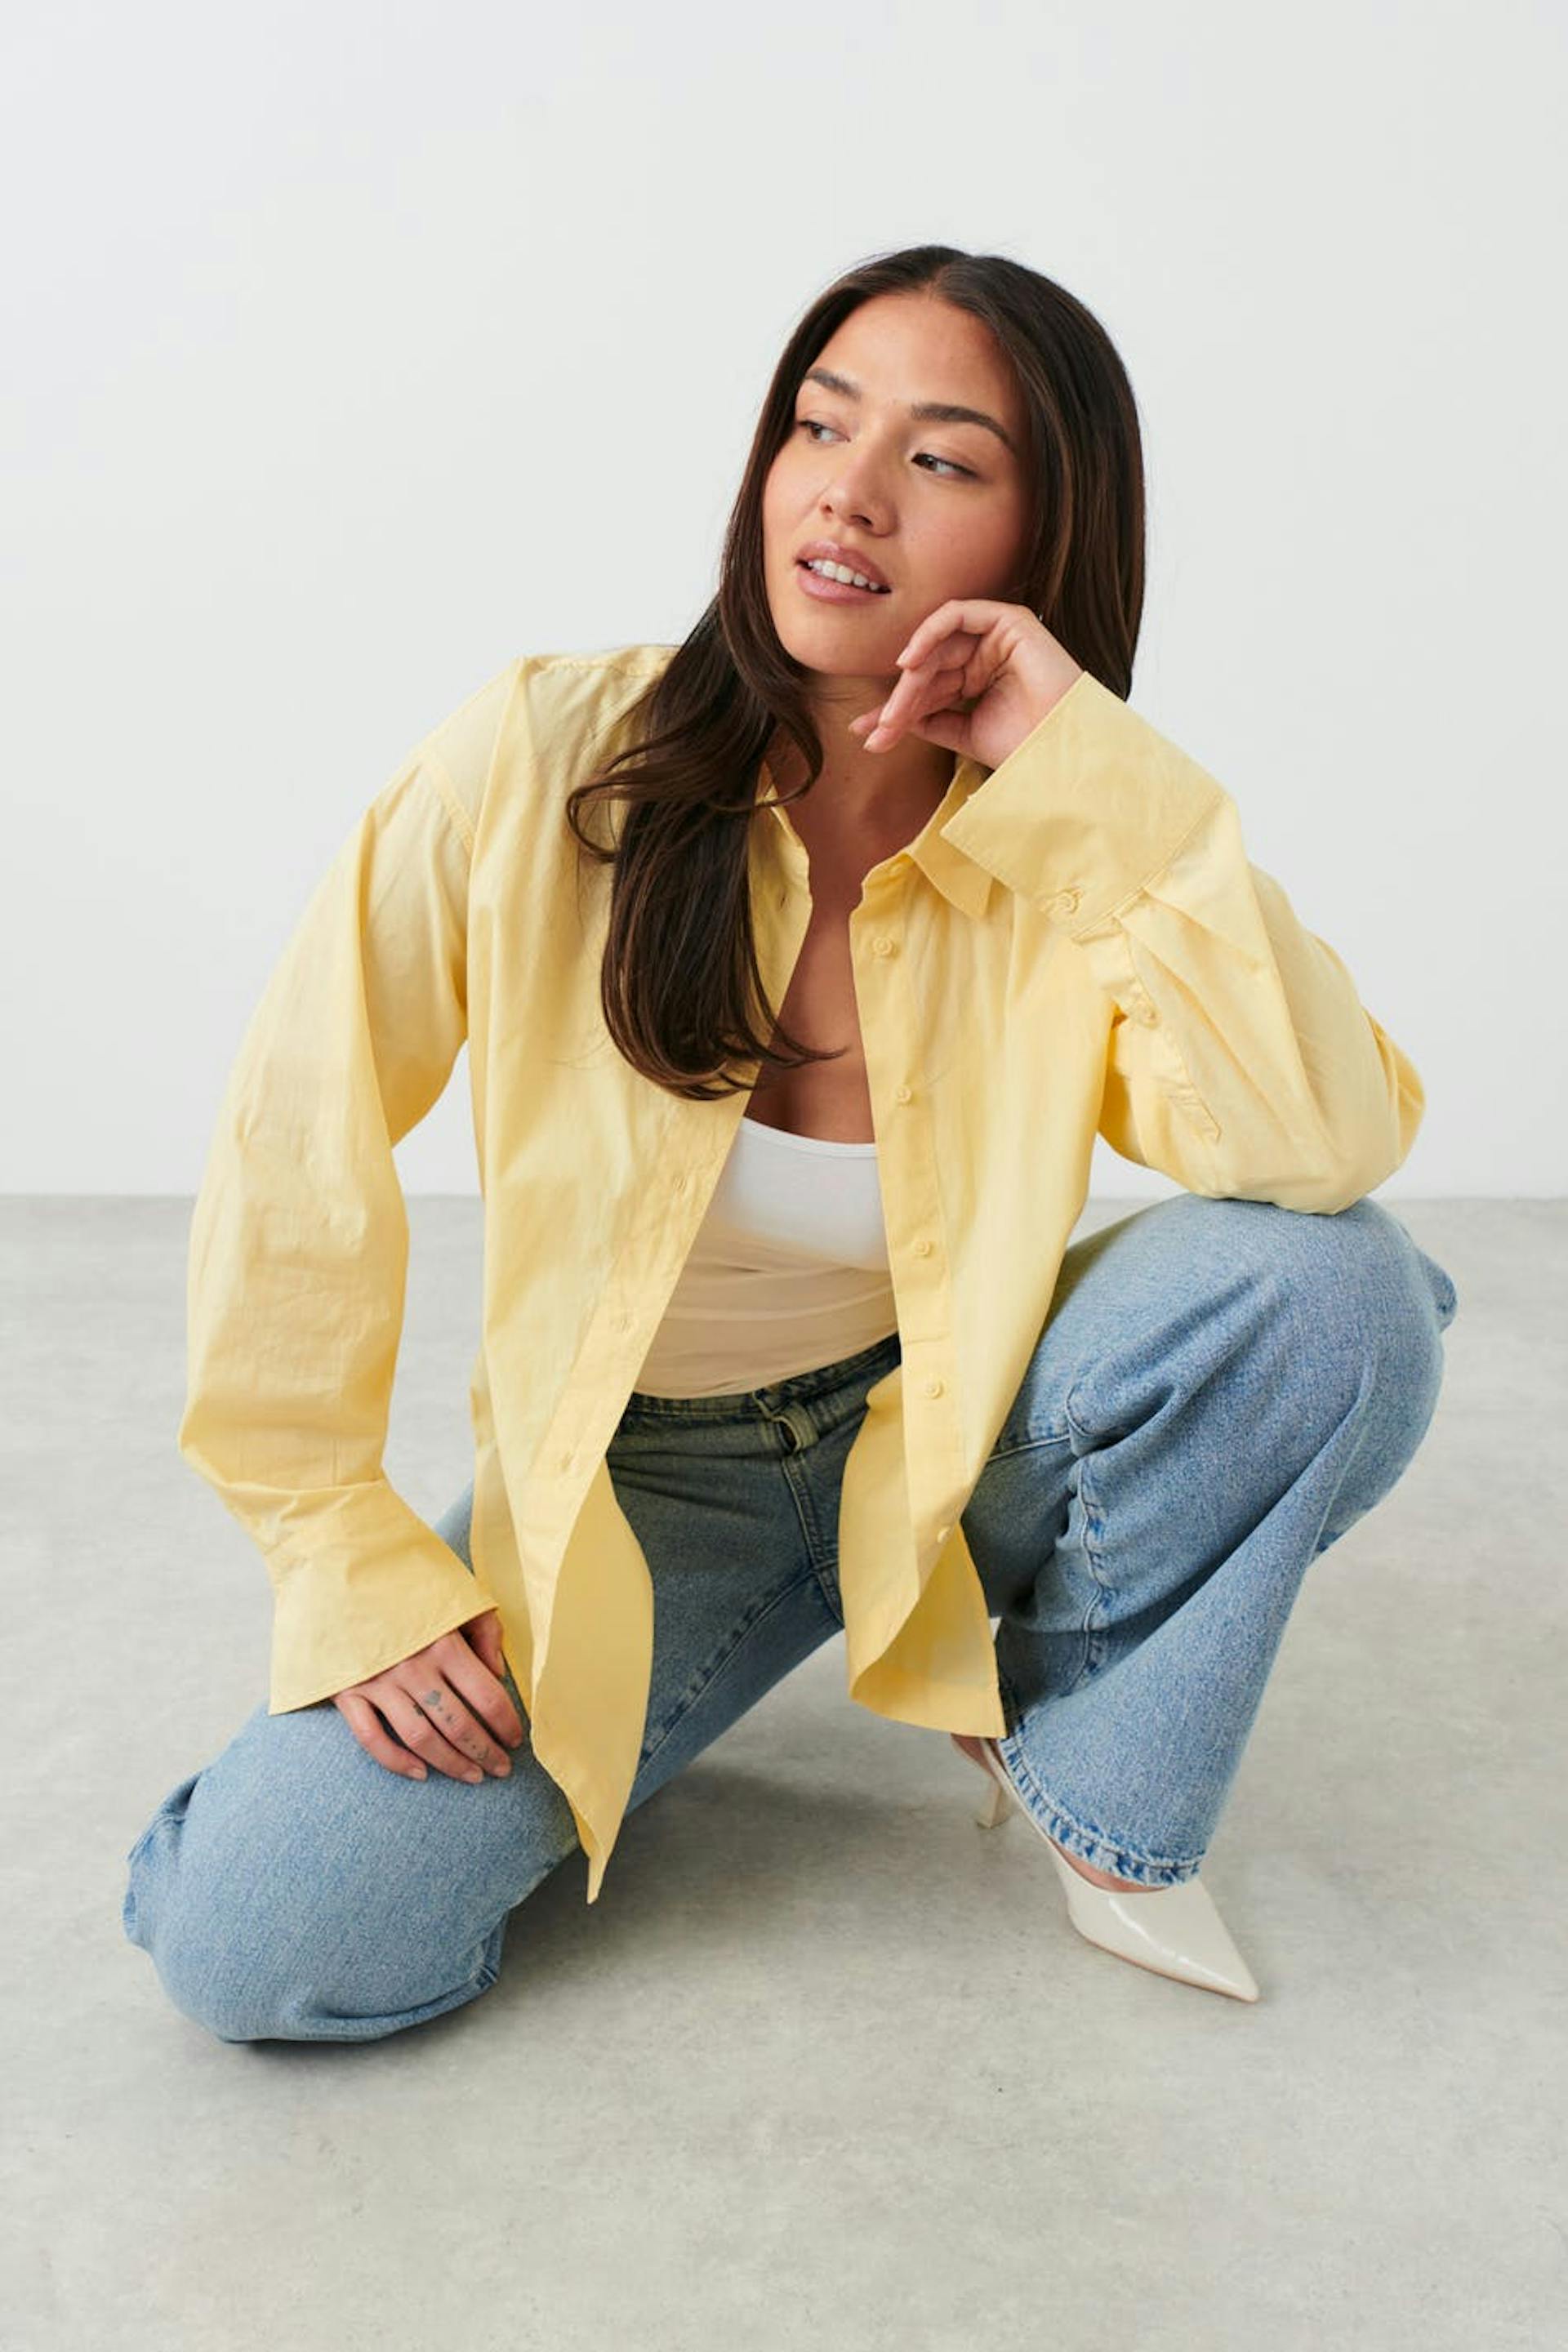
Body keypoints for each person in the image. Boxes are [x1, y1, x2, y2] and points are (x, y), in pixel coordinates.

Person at [121, 243, 1459, 2041]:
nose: (848, 489)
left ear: (1046, 538)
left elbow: (1320, 1143)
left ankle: (1075, 1745)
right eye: (821, 427)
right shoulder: (546, 757)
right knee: (261, 1942)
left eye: (942, 457)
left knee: (1344, 1292)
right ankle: (683, 1675)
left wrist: (1090, 774)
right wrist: (339, 1550)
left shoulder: (1067, 840)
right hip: (647, 1488)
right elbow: (301, 1135)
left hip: (958, 1439)